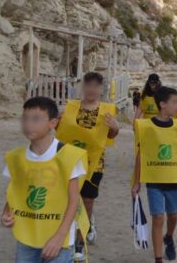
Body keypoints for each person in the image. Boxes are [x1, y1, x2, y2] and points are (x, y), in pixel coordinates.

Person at [1, 97, 88, 263]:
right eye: (25, 118)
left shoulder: (68, 156)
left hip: (58, 240)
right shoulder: (16, 158)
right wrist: (7, 213)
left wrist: (59, 236)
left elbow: (74, 199)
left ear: (53, 123)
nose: (28, 124)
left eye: (36, 119)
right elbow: (15, 192)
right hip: (27, 237)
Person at [54, 72, 119, 259]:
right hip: (69, 161)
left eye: (96, 86)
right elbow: (60, 131)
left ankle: (81, 239)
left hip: (94, 162)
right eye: (88, 85)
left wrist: (115, 127)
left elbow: (110, 136)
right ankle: (67, 234)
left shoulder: (107, 110)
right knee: (67, 199)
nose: (91, 89)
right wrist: (57, 122)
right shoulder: (71, 108)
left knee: (87, 199)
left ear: (101, 89)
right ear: (83, 86)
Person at [131, 87, 177, 263]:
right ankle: (158, 259)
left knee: (173, 215)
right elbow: (142, 154)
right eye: (175, 102)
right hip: (154, 180)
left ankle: (169, 238)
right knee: (158, 217)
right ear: (163, 104)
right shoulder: (146, 126)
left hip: (173, 179)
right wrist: (136, 181)